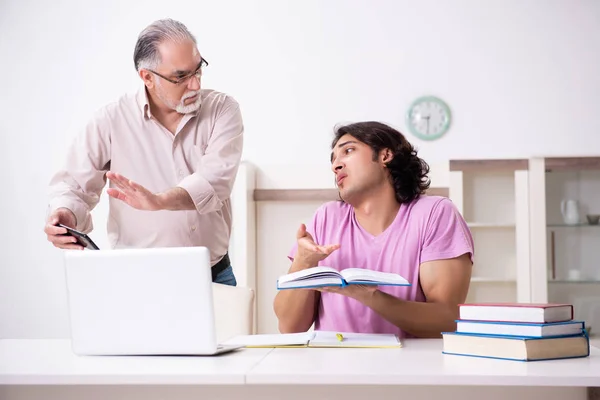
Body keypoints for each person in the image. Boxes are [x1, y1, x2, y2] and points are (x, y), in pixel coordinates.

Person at [43, 19, 243, 286]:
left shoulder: (222, 110)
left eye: (198, 70)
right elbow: (73, 185)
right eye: (181, 77)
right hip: (137, 279)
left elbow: (215, 182)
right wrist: (65, 214)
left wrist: (159, 201)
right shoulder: (111, 120)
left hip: (214, 275)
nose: (195, 85)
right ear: (147, 77)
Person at [273, 121, 474, 338]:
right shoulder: (326, 217)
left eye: (348, 151)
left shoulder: (434, 213)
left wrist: (370, 296)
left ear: (385, 155)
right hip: (333, 365)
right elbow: (290, 327)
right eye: (333, 160)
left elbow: (445, 319)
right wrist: (304, 261)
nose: (336, 165)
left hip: (412, 365)